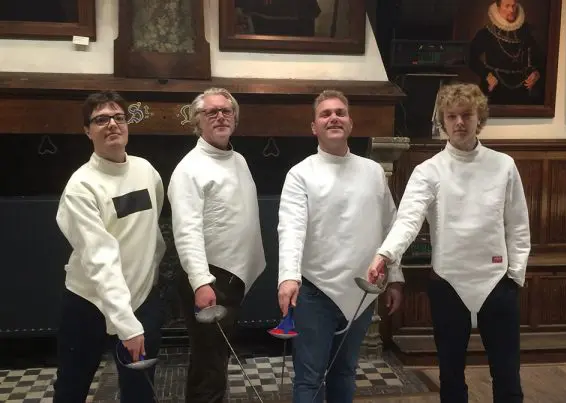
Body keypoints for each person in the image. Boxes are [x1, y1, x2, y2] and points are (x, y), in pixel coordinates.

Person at [367, 82, 530, 403]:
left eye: (466, 115)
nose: (459, 122)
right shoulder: (428, 171)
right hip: (448, 284)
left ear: (479, 117)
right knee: (451, 375)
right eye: (452, 116)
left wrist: (515, 276)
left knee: (507, 374)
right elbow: (408, 220)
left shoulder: (504, 165)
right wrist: (384, 255)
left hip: (497, 283)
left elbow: (518, 225)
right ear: (443, 121)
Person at [277, 89, 404, 403]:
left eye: (340, 113)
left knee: (345, 372)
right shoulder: (300, 174)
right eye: (325, 114)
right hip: (315, 293)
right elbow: (291, 229)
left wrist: (395, 277)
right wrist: (288, 277)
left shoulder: (373, 171)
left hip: (361, 292)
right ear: (314, 127)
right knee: (309, 379)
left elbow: (390, 225)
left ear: (350, 123)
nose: (333, 118)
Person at [53, 90, 166, 403]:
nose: (112, 124)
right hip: (88, 302)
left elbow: (151, 231)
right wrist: (126, 325)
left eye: (118, 117)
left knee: (140, 391)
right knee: (72, 387)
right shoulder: (81, 187)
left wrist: (148, 283)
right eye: (101, 120)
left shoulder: (146, 171)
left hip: (140, 297)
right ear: (87, 131)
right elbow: (100, 259)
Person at [168, 87, 266, 403]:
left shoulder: (238, 159)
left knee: (216, 361)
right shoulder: (189, 169)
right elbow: (186, 231)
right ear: (197, 121)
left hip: (233, 279)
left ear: (235, 118)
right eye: (211, 112)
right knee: (209, 368)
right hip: (209, 281)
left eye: (226, 111)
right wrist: (200, 282)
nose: (221, 116)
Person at [469, 0, 543, 105]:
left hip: (521, 91)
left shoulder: (526, 32)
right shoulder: (486, 33)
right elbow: (470, 58)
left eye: (513, 6)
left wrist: (536, 74)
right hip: (495, 89)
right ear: (498, 8)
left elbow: (539, 60)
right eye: (507, 6)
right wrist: (486, 75)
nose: (511, 10)